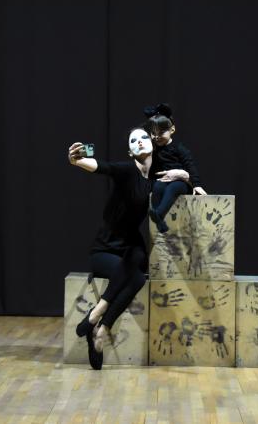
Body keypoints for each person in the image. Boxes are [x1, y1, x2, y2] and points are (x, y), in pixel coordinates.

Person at [67, 128, 189, 370]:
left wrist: (183, 174)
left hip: (130, 247)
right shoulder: (126, 170)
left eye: (144, 137)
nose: (139, 142)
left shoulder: (154, 181)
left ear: (152, 145)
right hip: (104, 250)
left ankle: (100, 328)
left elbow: (181, 186)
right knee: (134, 276)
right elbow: (103, 167)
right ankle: (96, 317)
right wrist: (76, 161)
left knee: (138, 273)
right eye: (134, 140)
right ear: (130, 151)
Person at [143, 103, 207, 233]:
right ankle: (159, 221)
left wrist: (197, 185)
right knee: (158, 186)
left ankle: (159, 213)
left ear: (172, 130)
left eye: (161, 132)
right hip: (164, 180)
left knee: (173, 187)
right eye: (153, 133)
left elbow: (190, 166)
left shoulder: (179, 148)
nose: (157, 136)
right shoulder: (155, 150)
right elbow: (152, 169)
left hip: (181, 182)